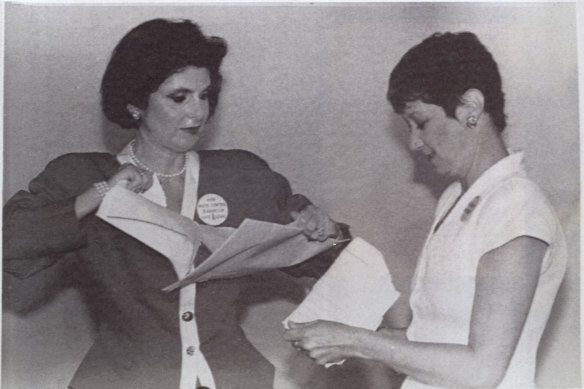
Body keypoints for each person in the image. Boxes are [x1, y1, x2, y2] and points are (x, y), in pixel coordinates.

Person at [3, 18, 350, 389]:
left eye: (204, 96)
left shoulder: (242, 176)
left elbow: (326, 258)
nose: (197, 113)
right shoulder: (80, 175)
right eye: (179, 97)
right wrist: (102, 192)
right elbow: (11, 240)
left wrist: (325, 230)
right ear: (135, 103)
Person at [284, 31, 567, 389]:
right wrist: (343, 330)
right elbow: (429, 337)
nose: (415, 143)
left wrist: (356, 341)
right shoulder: (455, 197)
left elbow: (482, 370)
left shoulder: (516, 206)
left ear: (471, 108)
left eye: (421, 123)